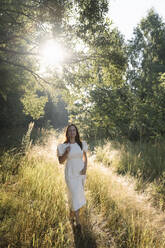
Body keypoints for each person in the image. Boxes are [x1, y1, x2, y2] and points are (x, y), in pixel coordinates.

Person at [57, 124, 88, 232]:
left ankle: (71, 213)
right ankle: (78, 222)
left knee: (76, 194)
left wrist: (85, 168)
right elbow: (61, 161)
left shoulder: (81, 144)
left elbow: (85, 157)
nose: (72, 132)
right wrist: (66, 152)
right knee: (74, 194)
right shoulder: (63, 146)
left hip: (80, 172)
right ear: (67, 133)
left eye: (73, 130)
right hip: (70, 173)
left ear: (76, 132)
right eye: (70, 131)